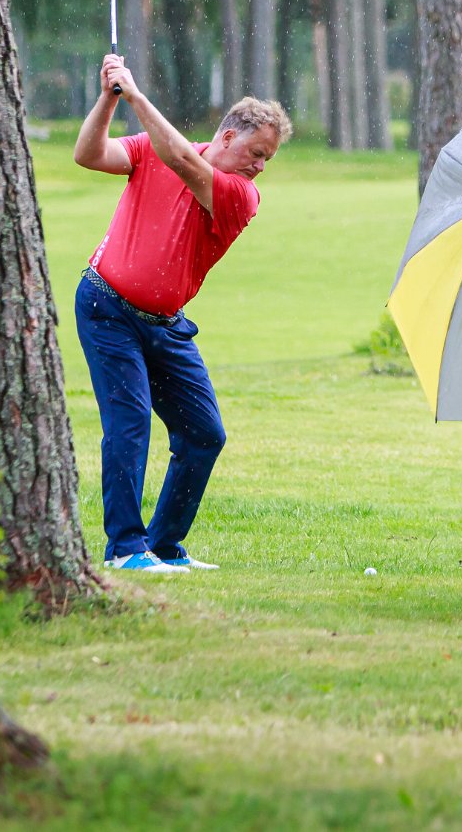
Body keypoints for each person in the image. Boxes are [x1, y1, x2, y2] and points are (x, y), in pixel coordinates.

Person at [72, 53, 291, 574]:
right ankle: (125, 549)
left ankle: (165, 544)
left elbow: (185, 164)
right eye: (257, 152)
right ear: (228, 135)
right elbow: (88, 155)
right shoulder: (152, 148)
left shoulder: (241, 195)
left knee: (203, 433)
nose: (260, 166)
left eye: (268, 159)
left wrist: (136, 94)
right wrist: (109, 99)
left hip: (166, 324)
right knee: (129, 426)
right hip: (107, 308)